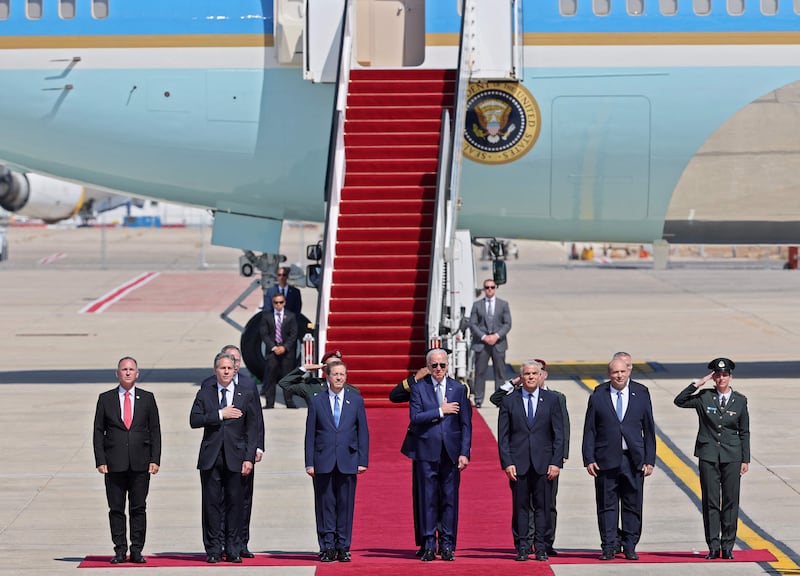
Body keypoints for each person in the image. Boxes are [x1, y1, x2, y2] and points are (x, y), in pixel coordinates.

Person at [490, 358, 570, 557]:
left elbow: (559, 433)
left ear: (541, 375)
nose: (531, 377)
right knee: (521, 507)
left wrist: (556, 461)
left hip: (544, 463)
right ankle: (523, 546)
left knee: (544, 507)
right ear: (521, 377)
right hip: (519, 464)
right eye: (527, 374)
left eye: (535, 373)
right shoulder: (510, 400)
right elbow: (504, 436)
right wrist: (507, 463)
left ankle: (542, 547)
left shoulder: (552, 399)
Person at [674, 357, 750, 560]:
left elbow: (744, 432)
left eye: (725, 375)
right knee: (711, 501)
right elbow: (679, 401)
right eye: (717, 375)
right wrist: (698, 383)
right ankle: (713, 546)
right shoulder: (704, 397)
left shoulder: (740, 400)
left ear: (730, 376)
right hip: (708, 456)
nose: (721, 378)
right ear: (713, 377)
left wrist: (745, 459)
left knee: (731, 501)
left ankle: (728, 546)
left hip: (732, 456)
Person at [190, 352, 262, 564]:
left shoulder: (245, 393)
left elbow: (252, 429)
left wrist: (249, 458)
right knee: (211, 505)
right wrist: (220, 414)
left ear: (235, 370)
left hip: (236, 457)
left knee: (235, 504)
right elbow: (194, 420)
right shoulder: (206, 393)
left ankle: (233, 548)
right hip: (211, 458)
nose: (226, 371)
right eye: (222, 368)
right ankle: (213, 548)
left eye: (229, 368)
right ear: (215, 371)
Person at [582, 357, 656, 561]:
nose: (619, 375)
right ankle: (608, 545)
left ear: (629, 371)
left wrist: (650, 460)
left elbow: (649, 429)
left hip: (633, 460)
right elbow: (590, 430)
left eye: (622, 371)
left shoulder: (641, 393)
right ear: (609, 374)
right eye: (615, 372)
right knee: (607, 504)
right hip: (606, 459)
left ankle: (630, 545)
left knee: (633, 504)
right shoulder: (598, 395)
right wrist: (589, 458)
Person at [93, 356, 161, 565]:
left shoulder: (147, 398)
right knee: (116, 508)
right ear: (117, 373)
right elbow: (98, 431)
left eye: (131, 369)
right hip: (114, 463)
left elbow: (155, 430)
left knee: (138, 507)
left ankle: (137, 549)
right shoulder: (106, 398)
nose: (128, 372)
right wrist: (100, 460)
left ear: (137, 373)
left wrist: (155, 459)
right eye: (124, 369)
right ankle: (120, 550)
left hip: (141, 462)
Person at [408, 349, 472, 561]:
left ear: (448, 366)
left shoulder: (458, 389)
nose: (438, 369)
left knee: (449, 500)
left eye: (442, 365)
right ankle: (428, 543)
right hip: (426, 452)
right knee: (427, 499)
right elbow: (415, 417)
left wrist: (464, 452)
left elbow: (465, 424)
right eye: (434, 365)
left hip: (450, 452)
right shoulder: (419, 388)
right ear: (428, 366)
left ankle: (447, 544)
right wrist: (440, 410)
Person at [305, 360, 369, 563]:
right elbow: (310, 434)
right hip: (323, 460)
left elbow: (363, 432)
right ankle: (327, 546)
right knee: (325, 505)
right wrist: (309, 462)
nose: (339, 378)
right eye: (335, 374)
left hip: (348, 460)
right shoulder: (317, 401)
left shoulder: (355, 400)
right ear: (328, 377)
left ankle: (343, 546)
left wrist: (362, 459)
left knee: (345, 505)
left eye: (342, 374)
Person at [469, 279, 512, 407]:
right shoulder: (477, 305)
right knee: (480, 372)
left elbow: (507, 323)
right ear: (484, 289)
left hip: (498, 343)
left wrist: (496, 336)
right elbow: (473, 323)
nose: (489, 289)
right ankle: (478, 399)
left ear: (495, 288)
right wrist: (483, 337)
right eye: (487, 287)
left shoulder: (503, 304)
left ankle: (499, 399)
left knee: (499, 373)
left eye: (492, 287)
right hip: (482, 344)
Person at [279, 349, 360, 406]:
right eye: (331, 365)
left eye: (338, 364)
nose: (335, 368)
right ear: (324, 369)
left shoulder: (352, 391)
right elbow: (284, 383)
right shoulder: (312, 387)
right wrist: (305, 368)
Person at [260, 293, 298, 408]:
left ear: (284, 303)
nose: (278, 305)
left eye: (281, 302)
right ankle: (269, 403)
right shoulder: (267, 316)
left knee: (287, 378)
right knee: (271, 377)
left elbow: (294, 334)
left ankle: (289, 401)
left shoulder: (290, 316)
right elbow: (264, 334)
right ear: (273, 304)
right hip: (273, 352)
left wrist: (284, 347)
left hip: (287, 352)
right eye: (276, 302)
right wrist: (274, 347)